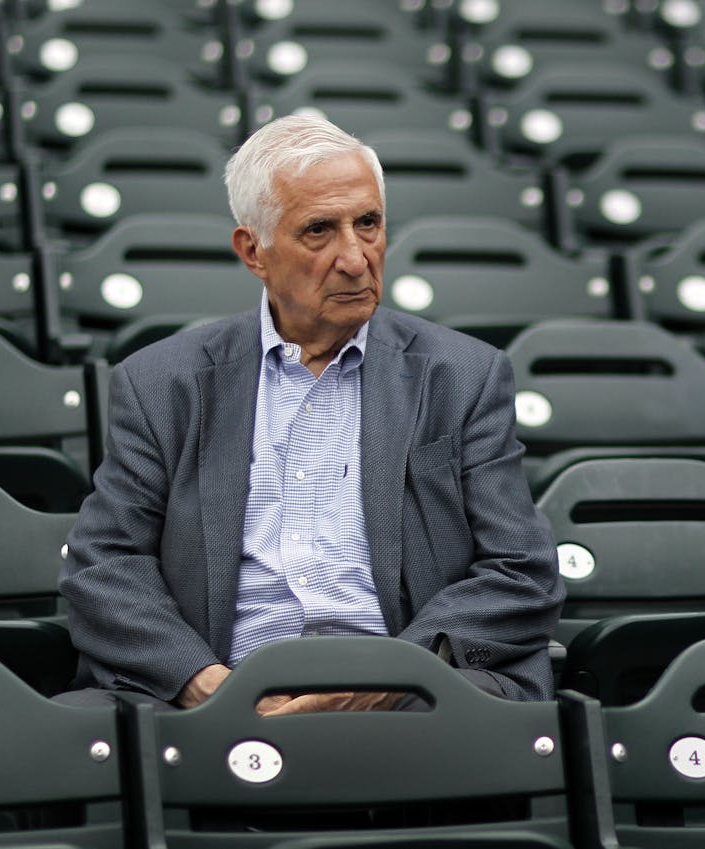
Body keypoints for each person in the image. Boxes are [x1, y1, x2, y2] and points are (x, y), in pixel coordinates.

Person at [57, 115, 563, 713]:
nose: (355, 258)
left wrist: (389, 678)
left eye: (368, 224)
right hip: (219, 698)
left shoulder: (464, 376)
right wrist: (206, 685)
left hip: (409, 692)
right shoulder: (162, 383)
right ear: (254, 251)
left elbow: (521, 570)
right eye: (319, 231)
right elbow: (104, 565)